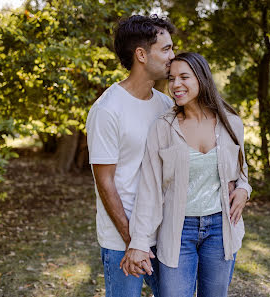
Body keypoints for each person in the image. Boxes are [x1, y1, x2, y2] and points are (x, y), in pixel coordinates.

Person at [121, 52, 252, 297]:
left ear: (202, 78)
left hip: (220, 228)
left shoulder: (231, 123)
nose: (175, 85)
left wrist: (244, 189)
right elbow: (149, 189)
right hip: (178, 231)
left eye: (184, 77)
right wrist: (138, 242)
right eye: (171, 79)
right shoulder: (163, 127)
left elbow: (240, 171)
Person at [85, 15, 175, 297]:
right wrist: (133, 240)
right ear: (141, 55)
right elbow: (105, 182)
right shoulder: (107, 110)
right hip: (121, 238)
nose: (173, 56)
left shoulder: (166, 104)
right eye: (166, 49)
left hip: (163, 233)